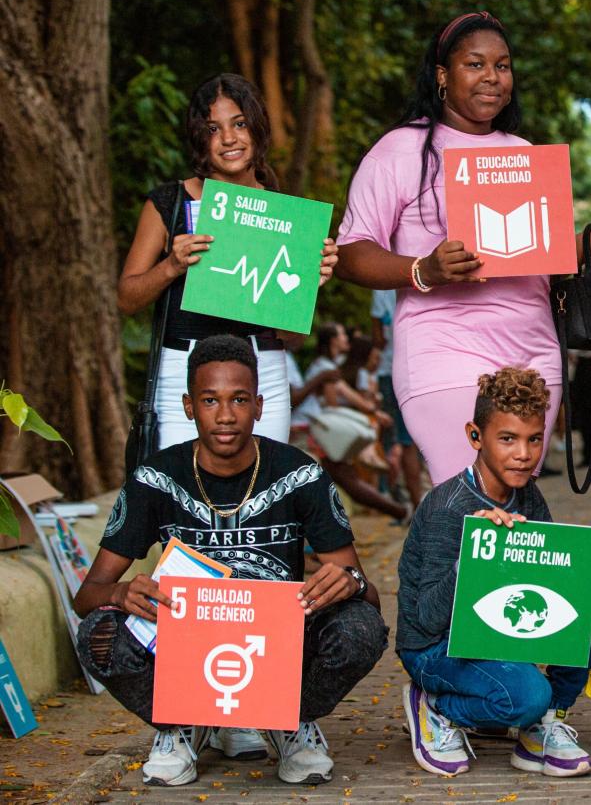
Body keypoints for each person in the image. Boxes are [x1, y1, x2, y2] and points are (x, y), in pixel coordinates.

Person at [334, 11, 591, 485]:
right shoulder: (400, 150)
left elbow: (554, 257)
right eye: (475, 65)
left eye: (502, 66)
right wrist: (424, 269)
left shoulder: (522, 153)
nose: (492, 78)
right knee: (470, 500)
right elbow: (351, 251)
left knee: (509, 512)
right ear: (442, 75)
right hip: (443, 352)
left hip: (533, 357)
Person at [71, 335, 386, 787]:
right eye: (209, 400)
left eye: (239, 399)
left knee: (360, 628)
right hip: (185, 647)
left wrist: (350, 583)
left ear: (259, 406)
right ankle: (180, 722)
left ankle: (286, 720)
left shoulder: (301, 474)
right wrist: (122, 593)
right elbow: (87, 597)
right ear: (187, 406)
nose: (224, 415)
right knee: (98, 634)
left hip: (278, 647)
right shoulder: (155, 480)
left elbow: (366, 594)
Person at [395, 367, 591, 778]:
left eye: (534, 439)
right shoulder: (449, 508)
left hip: (495, 632)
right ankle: (435, 706)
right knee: (527, 693)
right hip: (435, 649)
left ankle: (546, 721)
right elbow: (425, 620)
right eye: (507, 439)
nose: (523, 453)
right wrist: (474, 556)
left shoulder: (527, 494)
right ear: (475, 437)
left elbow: (552, 588)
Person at [116, 73, 338, 449]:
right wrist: (172, 265)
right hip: (183, 372)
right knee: (182, 495)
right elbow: (126, 299)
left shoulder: (284, 214)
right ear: (199, 137)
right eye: (213, 128)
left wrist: (306, 289)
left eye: (239, 124)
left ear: (257, 126)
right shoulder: (171, 204)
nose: (229, 139)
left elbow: (294, 339)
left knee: (258, 496)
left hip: (262, 371)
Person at [286, 324, 406, 521]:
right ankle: (398, 509)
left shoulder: (317, 365)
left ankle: (398, 510)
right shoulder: (323, 368)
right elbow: (330, 403)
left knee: (345, 477)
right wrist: (322, 379)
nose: (304, 334)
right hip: (306, 431)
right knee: (345, 478)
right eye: (342, 335)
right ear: (332, 340)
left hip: (308, 428)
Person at [371, 288, 426, 501]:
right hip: (425, 367)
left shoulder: (380, 288)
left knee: (405, 441)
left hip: (392, 371)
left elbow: (378, 338)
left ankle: (417, 505)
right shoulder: (423, 274)